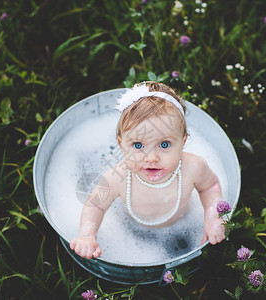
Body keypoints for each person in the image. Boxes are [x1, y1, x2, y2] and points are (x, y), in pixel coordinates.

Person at [70, 81, 226, 259]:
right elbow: (95, 205)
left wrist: (213, 216)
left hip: (184, 222)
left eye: (164, 144)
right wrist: (87, 235)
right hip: (131, 232)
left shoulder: (193, 167)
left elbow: (210, 186)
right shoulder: (117, 177)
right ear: (121, 144)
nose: (151, 158)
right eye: (138, 145)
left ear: (182, 142)